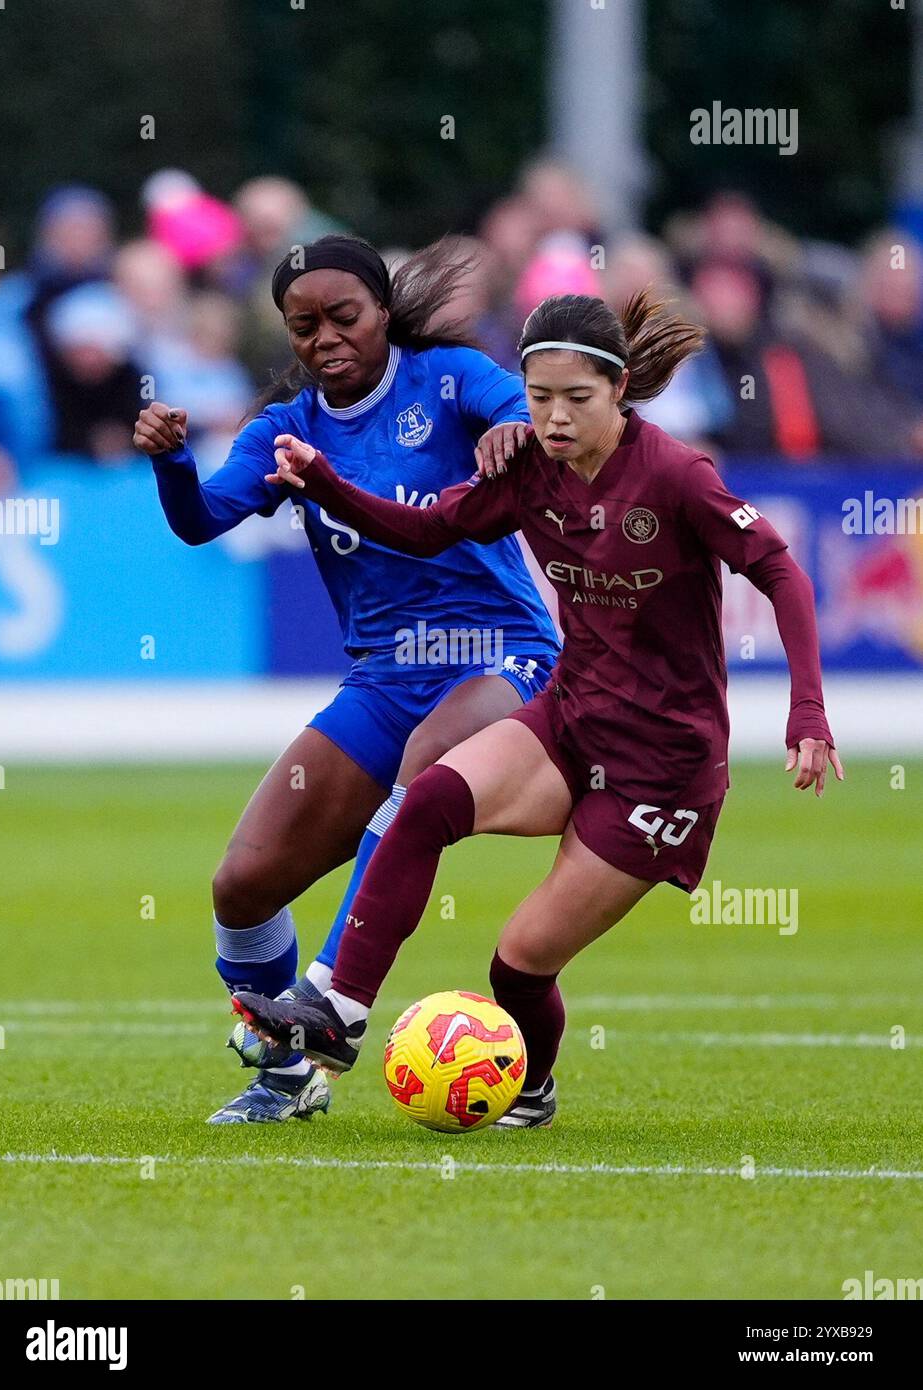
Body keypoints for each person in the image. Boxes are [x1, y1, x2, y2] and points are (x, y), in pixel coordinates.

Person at [232, 288, 845, 1128]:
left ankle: (532, 1085)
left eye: (575, 399)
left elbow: (780, 571)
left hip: (660, 768)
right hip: (569, 717)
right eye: (538, 397)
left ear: (619, 390)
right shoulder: (527, 471)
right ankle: (337, 1010)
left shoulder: (674, 476)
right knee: (429, 798)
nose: (554, 418)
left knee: (517, 966)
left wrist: (806, 710)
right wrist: (327, 483)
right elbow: (422, 530)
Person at [133, 234, 560, 1123]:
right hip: (383, 676)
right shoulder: (286, 429)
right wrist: (172, 461)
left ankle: (333, 999)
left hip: (498, 653)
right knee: (241, 884)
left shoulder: (447, 375)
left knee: (429, 762)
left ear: (380, 312)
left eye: (343, 316)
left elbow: (516, 401)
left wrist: (516, 423)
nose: (324, 337)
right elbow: (202, 522)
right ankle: (288, 1078)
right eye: (302, 325)